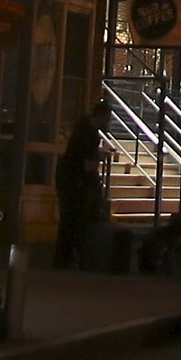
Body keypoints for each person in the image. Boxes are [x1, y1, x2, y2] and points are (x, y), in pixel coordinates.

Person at [57, 110, 108, 270]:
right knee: (74, 218)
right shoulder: (90, 136)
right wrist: (99, 159)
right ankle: (69, 255)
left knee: (68, 218)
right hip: (75, 181)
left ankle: (63, 256)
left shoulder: (82, 128)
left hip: (67, 177)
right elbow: (86, 165)